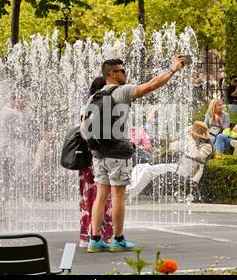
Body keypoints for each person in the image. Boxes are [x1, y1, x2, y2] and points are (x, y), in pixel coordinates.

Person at [83, 55, 186, 252]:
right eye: (122, 71)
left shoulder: (94, 95)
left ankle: (95, 239)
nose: (126, 74)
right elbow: (151, 86)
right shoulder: (122, 91)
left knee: (101, 196)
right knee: (118, 196)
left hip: (99, 154)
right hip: (117, 153)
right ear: (112, 74)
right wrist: (172, 70)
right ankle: (118, 239)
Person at [126, 121, 213, 200]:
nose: (191, 134)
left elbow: (197, 155)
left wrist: (191, 142)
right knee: (140, 166)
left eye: (193, 133)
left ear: (198, 135)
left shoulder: (206, 147)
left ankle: (129, 193)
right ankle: (128, 188)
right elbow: (175, 146)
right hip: (176, 166)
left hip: (185, 171)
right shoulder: (192, 142)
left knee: (149, 170)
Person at [78, 77, 113, 248]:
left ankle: (86, 235)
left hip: (87, 157)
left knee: (88, 196)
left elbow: (82, 131)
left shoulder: (86, 107)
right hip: (98, 156)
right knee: (104, 196)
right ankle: (103, 235)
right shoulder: (100, 107)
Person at [0, 89, 29, 222]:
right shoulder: (13, 113)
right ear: (18, 99)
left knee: (0, 180)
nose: (26, 104)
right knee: (5, 182)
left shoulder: (5, 109)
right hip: (6, 151)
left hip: (0, 149)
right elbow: (19, 133)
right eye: (25, 101)